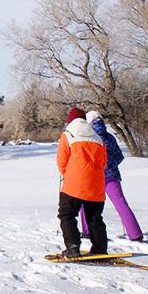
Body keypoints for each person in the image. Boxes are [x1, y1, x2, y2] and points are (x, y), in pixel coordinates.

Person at [80, 110, 144, 242]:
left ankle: (87, 231)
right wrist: (110, 165)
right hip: (112, 176)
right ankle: (135, 234)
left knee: (85, 203)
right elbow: (120, 156)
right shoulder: (109, 137)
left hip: (94, 177)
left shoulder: (89, 137)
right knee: (121, 204)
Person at [56, 107, 108, 258]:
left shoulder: (68, 135)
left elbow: (62, 161)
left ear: (70, 121)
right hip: (96, 185)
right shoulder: (98, 138)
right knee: (94, 217)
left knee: (67, 215)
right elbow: (104, 163)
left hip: (74, 184)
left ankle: (72, 247)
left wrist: (69, 175)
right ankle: (100, 248)